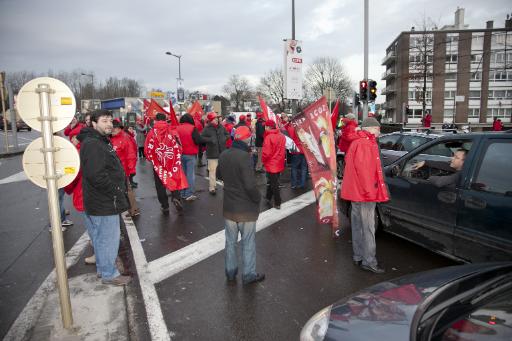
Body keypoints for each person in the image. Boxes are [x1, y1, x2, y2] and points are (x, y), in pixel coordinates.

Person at [79, 109, 131, 285]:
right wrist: (116, 190)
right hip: (104, 201)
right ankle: (109, 274)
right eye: (104, 121)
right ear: (93, 123)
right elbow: (96, 176)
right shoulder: (93, 143)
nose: (109, 124)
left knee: (102, 238)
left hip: (101, 200)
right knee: (108, 239)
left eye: (110, 120)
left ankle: (104, 270)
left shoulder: (98, 140)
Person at [217, 126, 265, 285]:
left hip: (230, 206)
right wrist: (258, 198)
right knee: (248, 242)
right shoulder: (245, 157)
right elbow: (250, 185)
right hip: (245, 209)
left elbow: (218, 175)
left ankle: (230, 272)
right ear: (247, 139)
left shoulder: (224, 154)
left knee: (230, 242)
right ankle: (248, 274)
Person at [340, 117, 389, 274]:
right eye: (377, 128)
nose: (379, 131)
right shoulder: (366, 144)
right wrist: (370, 193)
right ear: (370, 129)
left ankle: (358, 256)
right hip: (364, 194)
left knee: (357, 226)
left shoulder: (357, 142)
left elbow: (352, 164)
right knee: (368, 228)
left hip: (356, 193)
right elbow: (365, 172)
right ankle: (369, 261)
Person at [144, 113, 187, 215]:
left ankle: (165, 206)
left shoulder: (151, 133)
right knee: (174, 180)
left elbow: (147, 150)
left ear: (155, 120)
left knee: (160, 185)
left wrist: (152, 159)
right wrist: (177, 156)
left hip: (158, 163)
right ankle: (176, 198)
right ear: (165, 119)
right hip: (171, 162)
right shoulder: (172, 130)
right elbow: (179, 146)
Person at [111, 120, 140, 217]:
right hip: (115, 169)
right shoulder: (111, 137)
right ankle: (128, 208)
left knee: (127, 190)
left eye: (114, 128)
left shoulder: (124, 138)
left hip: (122, 169)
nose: (112, 129)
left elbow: (131, 155)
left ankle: (134, 209)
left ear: (119, 128)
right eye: (112, 127)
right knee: (123, 190)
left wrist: (131, 170)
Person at [176, 113, 207, 201]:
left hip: (180, 154)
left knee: (183, 174)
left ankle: (182, 193)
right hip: (190, 154)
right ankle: (189, 193)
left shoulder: (177, 128)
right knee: (190, 174)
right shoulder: (193, 128)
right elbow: (198, 140)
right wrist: (206, 140)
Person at [201, 112, 229, 195]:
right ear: (210, 120)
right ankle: (212, 187)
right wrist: (210, 140)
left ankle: (225, 185)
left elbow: (227, 134)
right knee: (212, 171)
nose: (217, 119)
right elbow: (201, 138)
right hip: (212, 153)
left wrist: (224, 138)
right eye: (214, 118)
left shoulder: (221, 127)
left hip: (222, 152)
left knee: (224, 170)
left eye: (216, 118)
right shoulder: (206, 129)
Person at [262, 120, 286, 209]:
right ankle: (268, 197)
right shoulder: (282, 136)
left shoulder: (269, 137)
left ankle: (278, 202)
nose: (265, 128)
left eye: (266, 126)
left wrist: (263, 161)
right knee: (273, 181)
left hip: (272, 163)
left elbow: (266, 153)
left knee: (274, 183)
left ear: (268, 127)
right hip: (279, 162)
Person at [285, 120, 307, 189]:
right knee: (303, 168)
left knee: (294, 168)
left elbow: (290, 136)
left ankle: (294, 184)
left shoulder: (293, 127)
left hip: (296, 150)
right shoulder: (306, 126)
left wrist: (288, 125)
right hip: (305, 150)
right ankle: (302, 184)